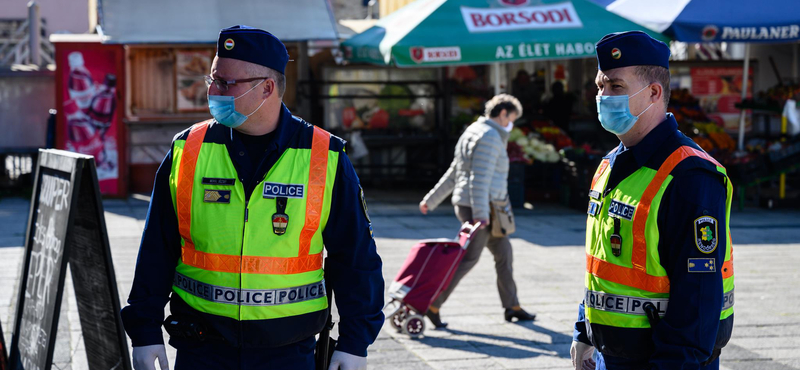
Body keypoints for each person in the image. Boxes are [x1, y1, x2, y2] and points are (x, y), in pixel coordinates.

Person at [120, 25, 384, 370]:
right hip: (201, 346)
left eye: (226, 83)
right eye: (212, 79)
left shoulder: (325, 156)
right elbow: (158, 244)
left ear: (267, 88)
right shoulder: (189, 149)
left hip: (288, 351)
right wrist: (144, 329)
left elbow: (355, 256)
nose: (213, 91)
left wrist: (355, 342)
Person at [570, 31, 734, 370]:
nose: (603, 96)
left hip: (662, 361)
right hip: (609, 354)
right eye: (601, 86)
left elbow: (697, 295)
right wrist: (584, 330)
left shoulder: (690, 174)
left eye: (616, 87)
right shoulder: (611, 164)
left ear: (654, 93)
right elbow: (604, 263)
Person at [418, 94, 536, 328]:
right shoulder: (491, 137)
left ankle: (512, 306)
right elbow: (478, 179)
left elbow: (455, 172)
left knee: (504, 254)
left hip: (481, 206)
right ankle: (432, 304)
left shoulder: (472, 130)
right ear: (503, 114)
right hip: (482, 208)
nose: (511, 124)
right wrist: (481, 215)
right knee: (467, 259)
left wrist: (430, 200)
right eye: (511, 118)